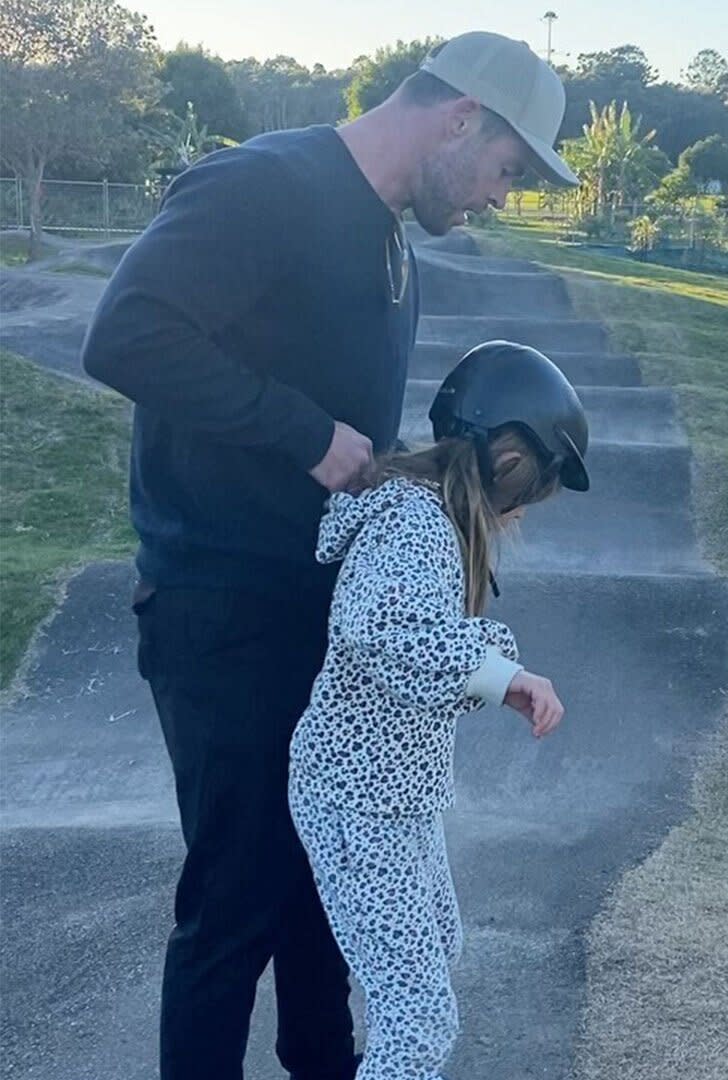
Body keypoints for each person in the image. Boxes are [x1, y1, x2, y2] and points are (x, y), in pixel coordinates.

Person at [79, 30, 579, 1080]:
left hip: (319, 621)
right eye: (507, 169)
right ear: (459, 119)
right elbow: (127, 333)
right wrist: (303, 432)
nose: (502, 195)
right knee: (234, 907)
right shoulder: (265, 187)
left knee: (325, 912)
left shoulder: (392, 246)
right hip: (222, 606)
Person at [288, 339, 590, 1080]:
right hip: (358, 800)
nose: (520, 512)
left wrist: (491, 673)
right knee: (420, 1020)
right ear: (507, 459)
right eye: (529, 492)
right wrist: (503, 673)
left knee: (438, 948)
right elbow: (382, 625)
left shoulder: (428, 521)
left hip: (395, 796)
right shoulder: (416, 523)